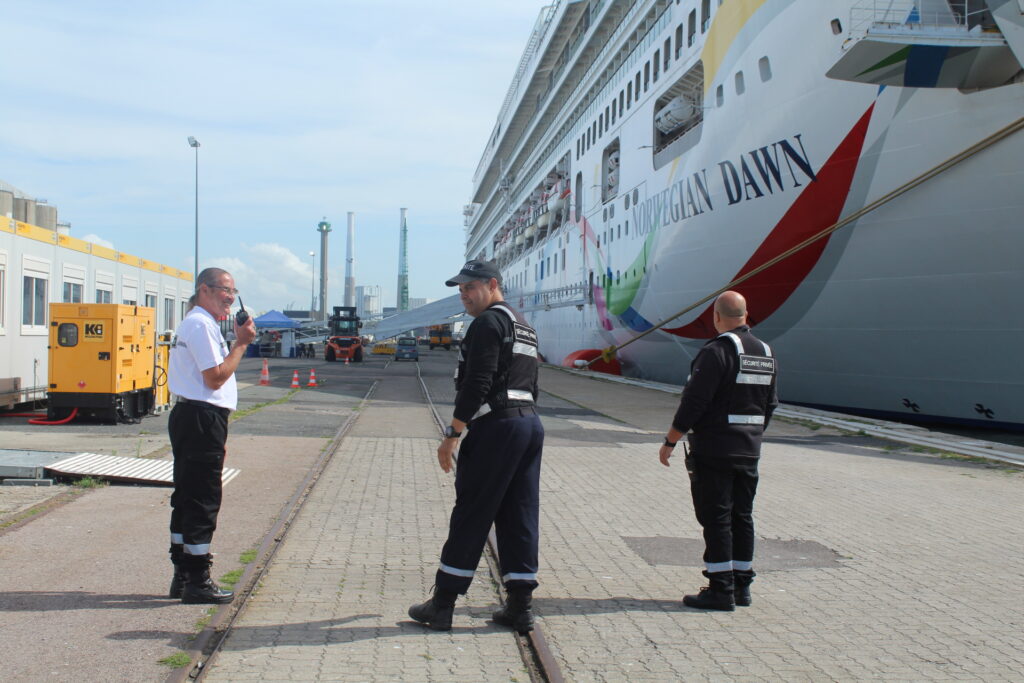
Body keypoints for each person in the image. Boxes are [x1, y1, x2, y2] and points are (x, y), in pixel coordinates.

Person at [409, 259, 544, 633]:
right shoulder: (523, 325)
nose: (464, 295)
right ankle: (520, 605)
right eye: (460, 289)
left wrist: (453, 432)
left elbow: (478, 381)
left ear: (492, 284)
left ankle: (443, 604)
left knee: (473, 511)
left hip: (497, 426)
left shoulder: (487, 323)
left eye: (470, 287)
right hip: (528, 423)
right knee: (520, 513)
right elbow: (532, 380)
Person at [659, 290, 778, 611]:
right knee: (743, 516)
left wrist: (671, 440)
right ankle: (742, 586)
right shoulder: (765, 352)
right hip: (749, 450)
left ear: (716, 316)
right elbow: (771, 404)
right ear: (746, 314)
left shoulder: (716, 352)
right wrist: (751, 435)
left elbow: (694, 403)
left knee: (716, 517)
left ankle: (720, 589)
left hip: (714, 450)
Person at [167, 267, 256, 604]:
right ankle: (198, 579)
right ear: (204, 289)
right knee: (203, 498)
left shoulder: (196, 322)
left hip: (194, 415)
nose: (230, 298)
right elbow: (216, 377)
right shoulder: (202, 324)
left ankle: (183, 573)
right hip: (202, 416)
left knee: (187, 495)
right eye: (224, 290)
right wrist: (241, 344)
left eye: (233, 292)